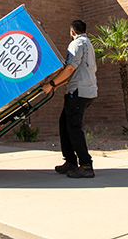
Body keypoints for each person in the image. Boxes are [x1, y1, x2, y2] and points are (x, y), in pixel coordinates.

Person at [43, 20, 98, 178]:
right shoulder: (87, 44)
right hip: (84, 91)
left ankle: (86, 165)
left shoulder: (76, 44)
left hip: (79, 93)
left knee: (73, 127)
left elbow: (70, 68)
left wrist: (51, 83)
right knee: (64, 124)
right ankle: (71, 162)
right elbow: (75, 72)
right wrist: (56, 85)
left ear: (72, 31)